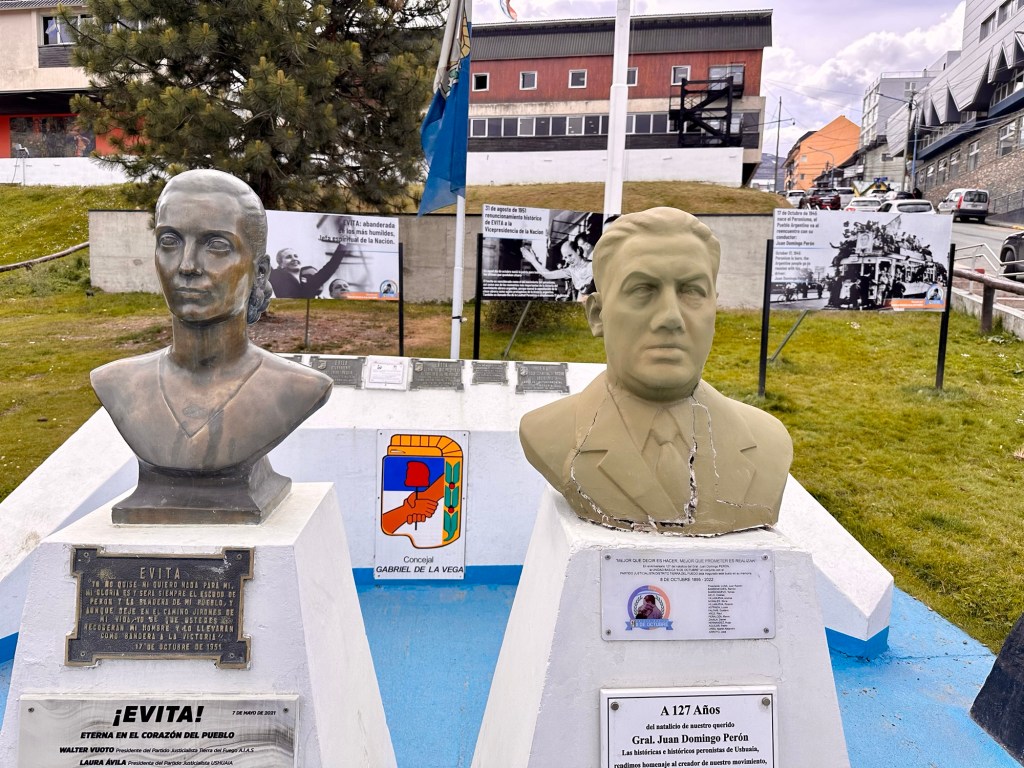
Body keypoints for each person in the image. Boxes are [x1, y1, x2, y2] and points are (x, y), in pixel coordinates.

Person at [519, 207, 792, 535]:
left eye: (692, 291)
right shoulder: (548, 434)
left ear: (714, 309)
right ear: (597, 315)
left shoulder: (768, 442)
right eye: (642, 290)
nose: (670, 318)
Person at [90, 169, 333, 523]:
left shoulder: (298, 389)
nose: (187, 266)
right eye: (170, 241)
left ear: (259, 272)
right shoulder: (117, 384)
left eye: (216, 245)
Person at [520, 235, 594, 300]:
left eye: (570, 255)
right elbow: (548, 275)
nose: (568, 260)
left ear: (577, 251)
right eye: (565, 257)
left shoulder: (592, 265)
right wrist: (533, 260)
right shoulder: (571, 270)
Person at [269, 243, 347, 299]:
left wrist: (344, 241)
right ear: (281, 264)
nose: (294, 259)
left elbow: (332, 265)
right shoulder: (276, 276)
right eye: (288, 257)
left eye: (296, 256)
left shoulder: (310, 281)